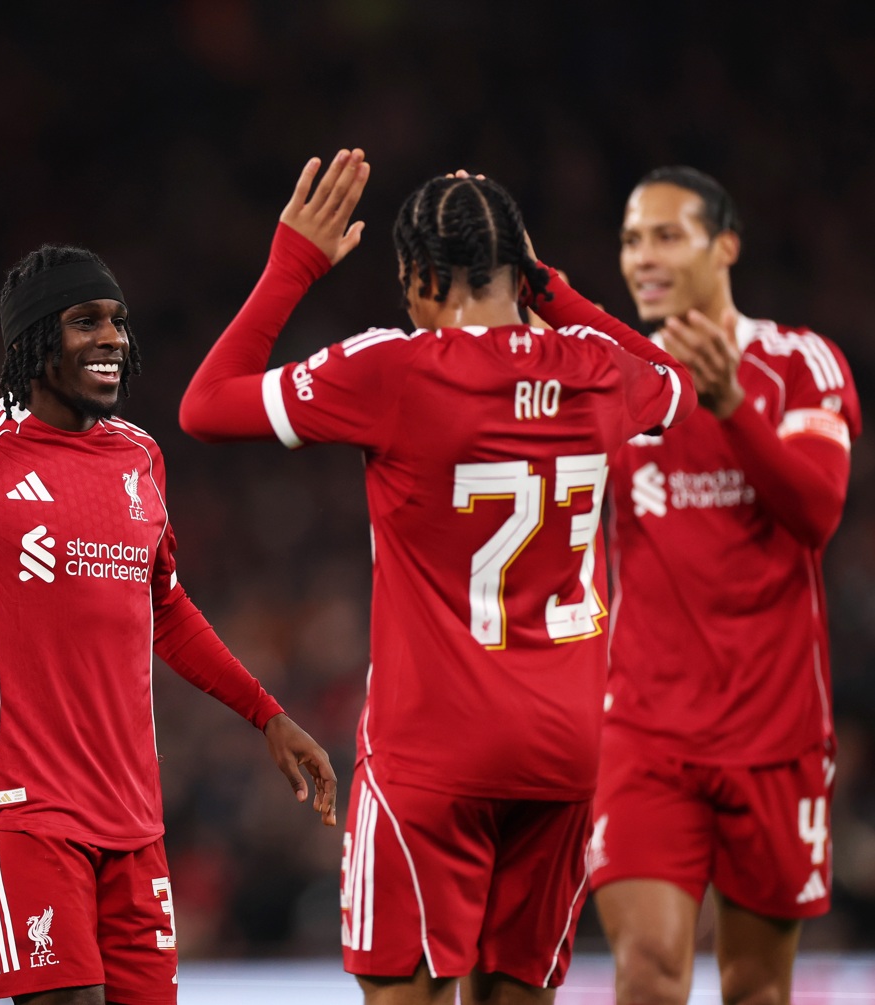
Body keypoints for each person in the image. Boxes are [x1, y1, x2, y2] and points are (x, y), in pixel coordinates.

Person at [178, 152, 697, 1005]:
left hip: (435, 748)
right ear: (514, 272)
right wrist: (551, 288)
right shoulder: (598, 370)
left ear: (423, 277)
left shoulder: (393, 369)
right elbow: (678, 381)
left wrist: (292, 265)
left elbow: (204, 404)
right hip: (565, 747)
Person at [0, 254, 338, 1004]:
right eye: (87, 320)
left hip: (131, 822)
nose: (113, 338)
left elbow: (165, 606)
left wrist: (266, 713)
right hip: (19, 813)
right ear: (34, 340)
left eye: (119, 321)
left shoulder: (139, 456)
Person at [590, 166, 862, 1005]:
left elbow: (816, 511)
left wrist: (731, 403)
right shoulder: (612, 378)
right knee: (647, 971)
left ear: (725, 246)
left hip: (774, 732)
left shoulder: (799, 362)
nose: (644, 258)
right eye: (633, 240)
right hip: (644, 734)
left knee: (753, 987)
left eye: (667, 235)